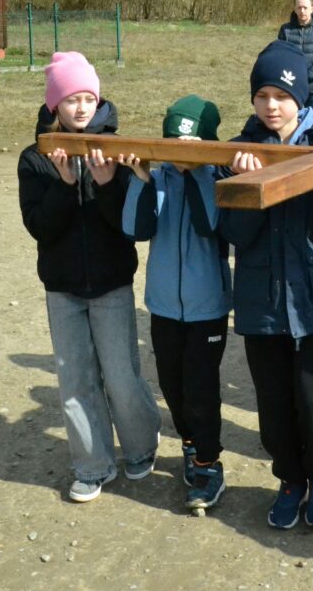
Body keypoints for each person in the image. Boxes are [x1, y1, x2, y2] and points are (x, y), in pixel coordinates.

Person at [17, 52, 160, 503]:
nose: (80, 107)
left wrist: (108, 183)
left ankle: (141, 446)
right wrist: (63, 186)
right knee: (75, 380)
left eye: (87, 98)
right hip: (62, 289)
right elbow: (39, 227)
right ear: (54, 104)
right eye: (70, 99)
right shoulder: (36, 158)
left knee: (121, 376)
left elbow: (129, 227)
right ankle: (92, 465)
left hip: (112, 283)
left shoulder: (116, 150)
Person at [219, 41, 313, 530]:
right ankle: (290, 478)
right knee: (273, 406)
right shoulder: (238, 152)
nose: (271, 106)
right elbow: (234, 234)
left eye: (281, 96)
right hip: (263, 302)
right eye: (262, 95)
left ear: (300, 99)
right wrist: (246, 188)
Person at [120, 95, 230, 511]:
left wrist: (197, 172)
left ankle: (208, 463)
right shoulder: (158, 176)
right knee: (172, 385)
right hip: (164, 303)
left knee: (201, 389)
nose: (179, 154)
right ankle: (189, 443)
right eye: (173, 144)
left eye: (190, 146)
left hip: (207, 307)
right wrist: (141, 180)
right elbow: (134, 228)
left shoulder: (218, 177)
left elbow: (210, 224)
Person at [276, 0, 313, 116]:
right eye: (299, 7)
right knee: (292, 122)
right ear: (295, 9)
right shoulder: (285, 30)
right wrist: (293, 77)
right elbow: (281, 56)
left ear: (312, 9)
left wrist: (306, 77)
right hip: (292, 86)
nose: (302, 11)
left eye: (305, 7)